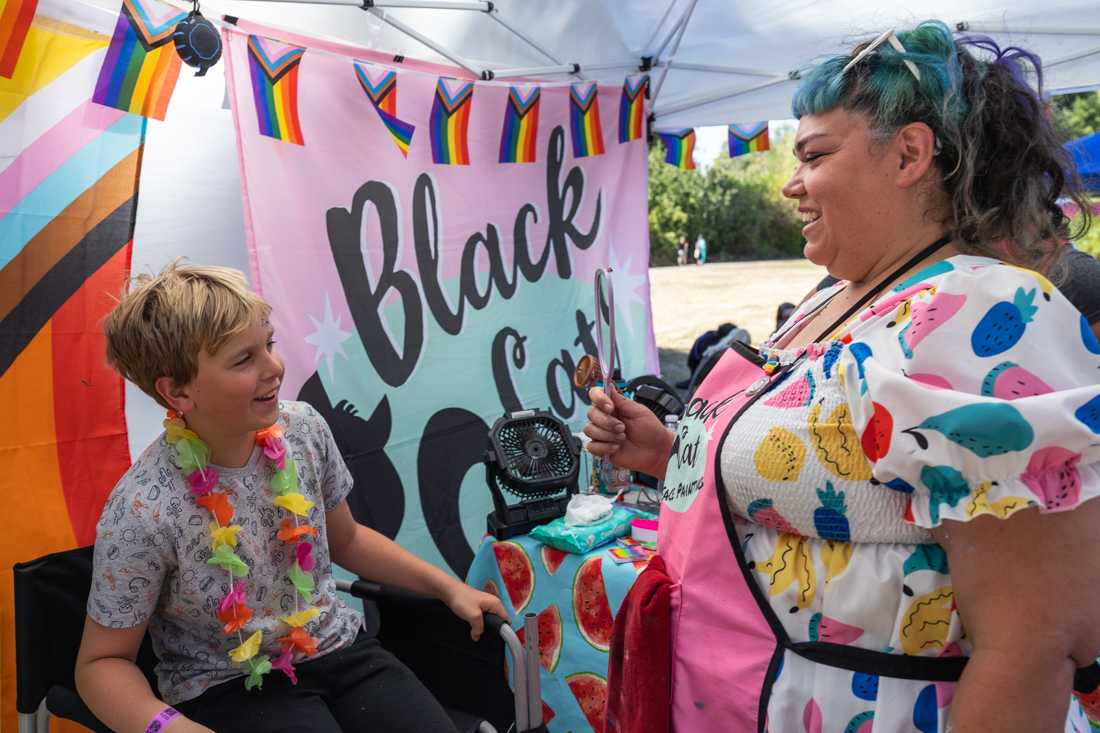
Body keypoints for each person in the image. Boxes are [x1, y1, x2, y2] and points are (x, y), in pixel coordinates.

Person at [591, 22, 1100, 732]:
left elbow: (1032, 647)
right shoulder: (840, 294)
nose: (790, 185)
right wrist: (666, 449)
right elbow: (820, 466)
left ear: (910, 154)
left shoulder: (976, 313)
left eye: (814, 155)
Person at [75, 263, 505, 733]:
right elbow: (101, 665)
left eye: (269, 344)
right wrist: (169, 728)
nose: (274, 367)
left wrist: (450, 588)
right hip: (228, 685)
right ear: (176, 391)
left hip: (337, 648)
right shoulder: (143, 508)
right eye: (244, 360)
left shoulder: (302, 430)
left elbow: (349, 541)